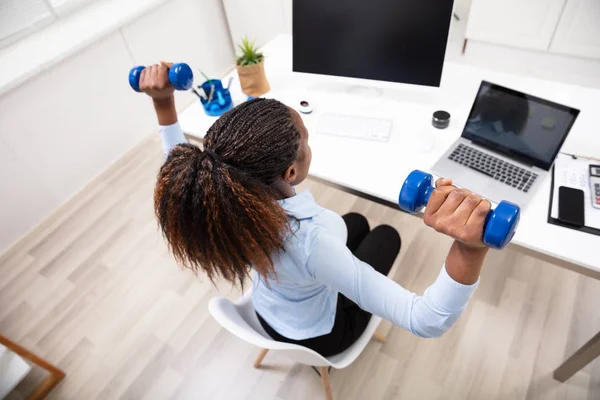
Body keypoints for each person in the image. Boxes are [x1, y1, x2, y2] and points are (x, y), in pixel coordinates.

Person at [139, 63, 492, 357]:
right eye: (305, 138)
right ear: (290, 172)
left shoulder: (215, 198)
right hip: (317, 333)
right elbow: (426, 319)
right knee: (386, 234)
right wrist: (470, 248)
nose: (308, 141)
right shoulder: (312, 244)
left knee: (355, 221)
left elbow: (178, 166)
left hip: (272, 306)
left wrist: (163, 103)